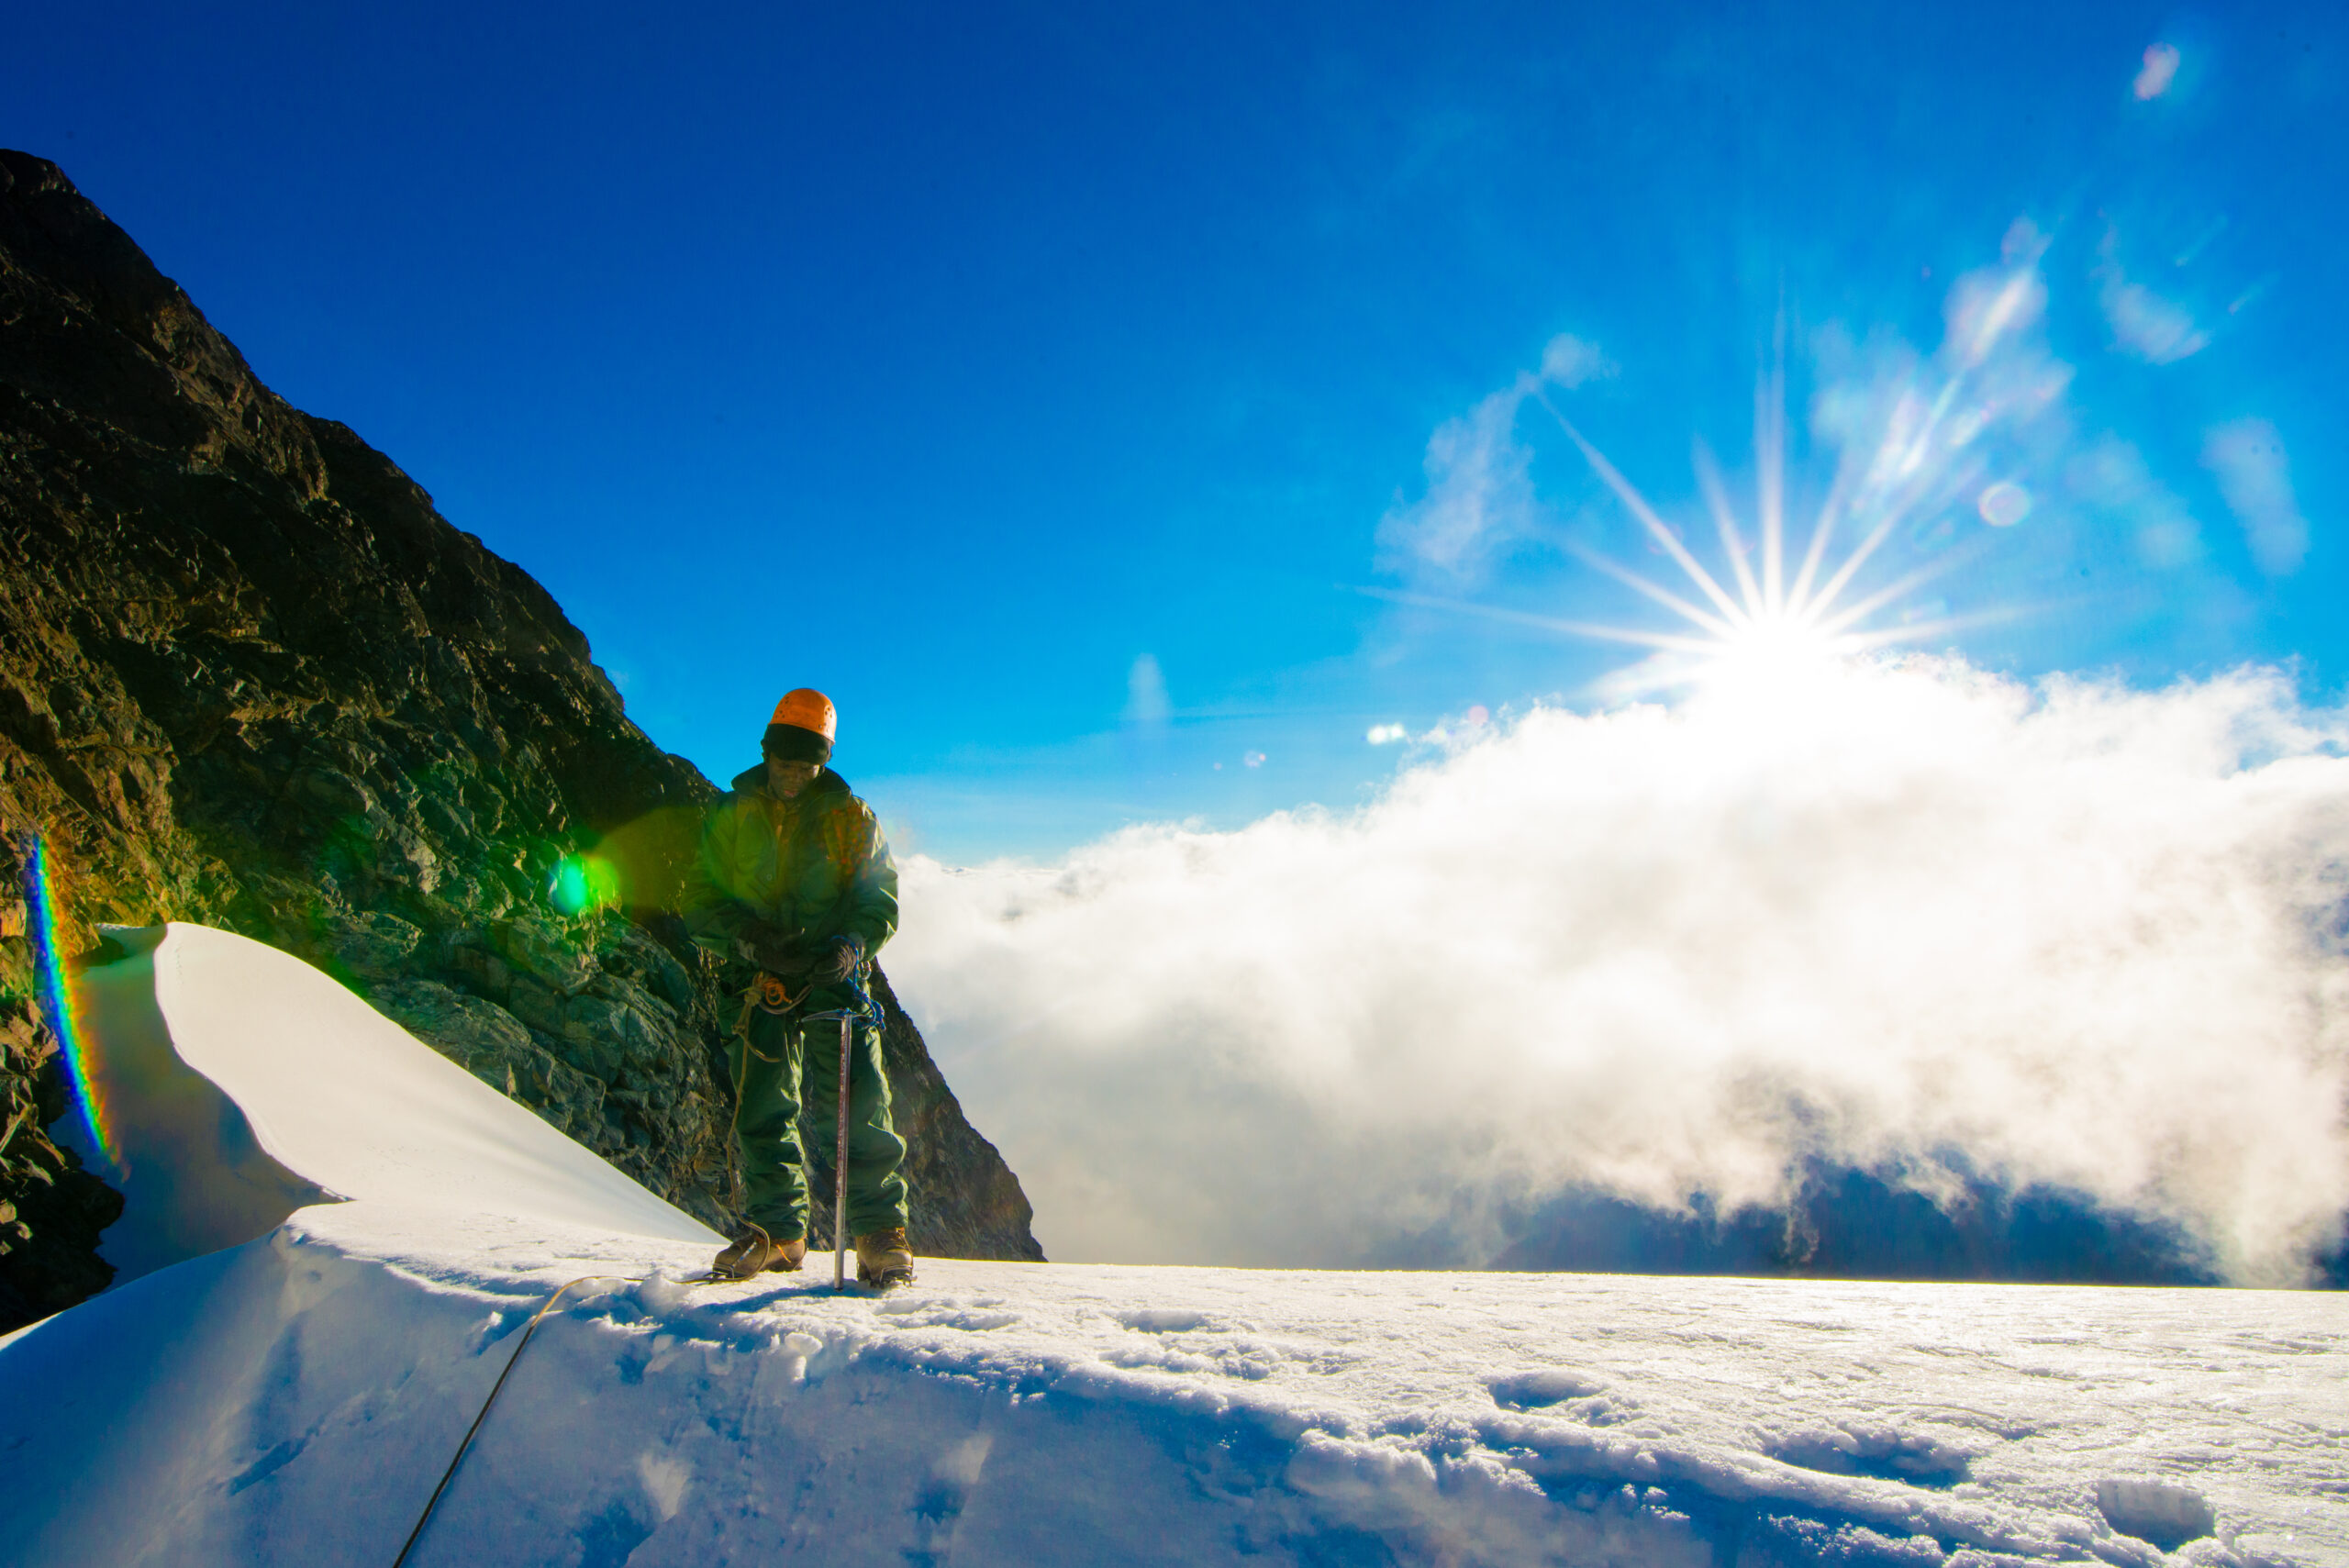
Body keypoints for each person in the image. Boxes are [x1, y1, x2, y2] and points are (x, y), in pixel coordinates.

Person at [682, 688, 914, 1287]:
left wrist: (851, 945)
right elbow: (701, 903)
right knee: (761, 1104)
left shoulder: (851, 818)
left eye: (805, 766)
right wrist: (751, 943)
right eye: (783, 764)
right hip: (758, 977)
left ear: (823, 760)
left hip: (830, 977)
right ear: (766, 755)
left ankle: (879, 1235)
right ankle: (777, 1232)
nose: (792, 776)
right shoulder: (731, 815)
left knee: (857, 1099)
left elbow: (878, 898)